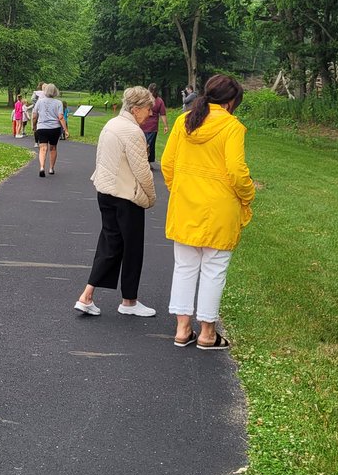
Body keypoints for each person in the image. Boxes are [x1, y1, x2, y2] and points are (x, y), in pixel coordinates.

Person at [161, 74, 255, 350]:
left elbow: (167, 163)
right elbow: (236, 171)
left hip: (185, 204)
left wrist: (180, 188)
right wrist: (248, 194)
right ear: (230, 102)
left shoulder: (184, 121)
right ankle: (207, 333)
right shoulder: (232, 126)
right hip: (219, 208)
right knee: (214, 270)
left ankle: (182, 329)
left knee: (184, 267)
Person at [74, 86, 158, 318]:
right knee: (132, 249)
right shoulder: (132, 131)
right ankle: (129, 301)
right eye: (148, 108)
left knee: (110, 245)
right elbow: (142, 171)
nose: (150, 113)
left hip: (106, 192)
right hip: (126, 196)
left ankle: (86, 296)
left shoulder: (111, 124)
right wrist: (151, 197)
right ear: (136, 108)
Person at [31, 83, 68, 177]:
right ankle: (51, 168)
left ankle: (42, 167)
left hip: (42, 127)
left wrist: (34, 126)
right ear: (55, 92)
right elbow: (61, 117)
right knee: (53, 148)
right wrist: (65, 129)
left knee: (43, 148)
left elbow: (34, 116)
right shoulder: (58, 103)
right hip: (54, 128)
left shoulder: (39, 102)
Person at [140, 82, 168, 165]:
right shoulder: (159, 101)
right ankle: (147, 162)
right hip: (151, 126)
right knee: (150, 145)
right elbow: (162, 114)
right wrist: (165, 126)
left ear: (148, 89)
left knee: (144, 144)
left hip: (144, 124)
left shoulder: (144, 100)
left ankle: (145, 162)